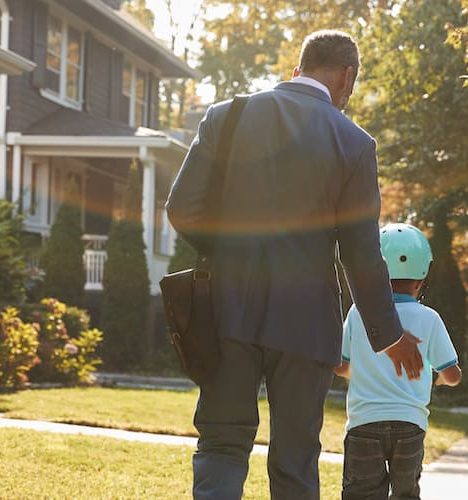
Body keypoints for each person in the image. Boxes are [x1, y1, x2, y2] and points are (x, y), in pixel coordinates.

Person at [166, 30, 423, 500]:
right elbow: (362, 252)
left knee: (222, 443)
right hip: (306, 324)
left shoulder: (225, 117)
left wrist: (227, 254)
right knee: (295, 459)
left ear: (297, 68)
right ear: (347, 77)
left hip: (226, 311)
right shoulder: (354, 142)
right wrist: (387, 334)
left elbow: (182, 208)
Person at [335, 222, 462, 500]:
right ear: (421, 280)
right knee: (405, 494)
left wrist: (365, 371)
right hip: (410, 425)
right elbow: (453, 375)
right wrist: (434, 376)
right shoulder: (430, 318)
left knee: (360, 493)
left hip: (363, 423)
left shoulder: (359, 313)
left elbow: (340, 365)